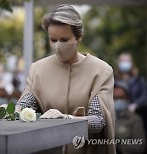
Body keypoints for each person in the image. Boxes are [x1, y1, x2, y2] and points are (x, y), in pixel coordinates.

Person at [15, 4, 115, 154]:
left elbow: (99, 120)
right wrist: (12, 111)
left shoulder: (101, 70)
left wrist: (68, 119)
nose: (58, 46)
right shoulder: (38, 69)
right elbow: (26, 107)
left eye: (64, 39)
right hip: (47, 148)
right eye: (53, 40)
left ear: (79, 37)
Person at [114, 81, 145, 154]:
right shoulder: (104, 119)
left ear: (127, 98)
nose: (118, 100)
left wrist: (117, 144)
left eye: (121, 97)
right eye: (115, 98)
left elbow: (140, 147)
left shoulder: (135, 119)